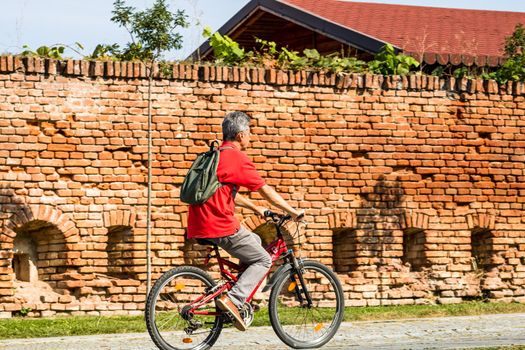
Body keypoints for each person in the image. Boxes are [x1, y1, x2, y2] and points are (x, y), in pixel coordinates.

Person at [186, 111, 303, 331]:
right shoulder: (236, 157)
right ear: (241, 135)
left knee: (255, 240)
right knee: (264, 261)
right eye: (249, 132)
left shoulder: (216, 155)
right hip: (220, 224)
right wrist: (293, 211)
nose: (250, 137)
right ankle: (235, 300)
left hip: (198, 223)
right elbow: (265, 190)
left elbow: (222, 192)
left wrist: (256, 208)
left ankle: (237, 290)